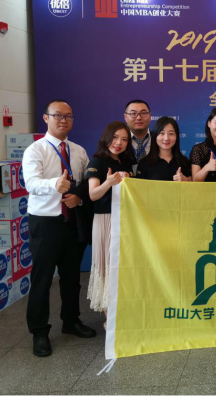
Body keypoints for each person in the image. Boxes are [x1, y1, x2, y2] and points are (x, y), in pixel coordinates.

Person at [23, 99, 96, 357]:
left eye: (68, 116)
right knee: (42, 279)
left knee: (72, 277)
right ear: (46, 118)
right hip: (46, 222)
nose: (63, 120)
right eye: (58, 115)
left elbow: (86, 183)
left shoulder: (78, 151)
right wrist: (55, 184)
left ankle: (71, 321)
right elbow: (31, 183)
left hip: (72, 221)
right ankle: (39, 332)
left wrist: (79, 198)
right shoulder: (36, 150)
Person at [85, 122, 133, 328]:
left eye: (124, 139)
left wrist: (130, 177)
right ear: (107, 137)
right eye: (115, 137)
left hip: (125, 219)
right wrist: (109, 182)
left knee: (121, 267)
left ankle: (121, 313)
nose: (118, 143)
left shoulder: (126, 161)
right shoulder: (97, 161)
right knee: (107, 267)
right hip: (105, 220)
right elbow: (93, 194)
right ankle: (109, 319)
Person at [136, 117, 192, 181]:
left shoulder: (184, 162)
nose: (166, 138)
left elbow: (192, 185)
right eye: (162, 133)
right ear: (155, 136)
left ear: (177, 136)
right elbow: (138, 186)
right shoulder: (144, 163)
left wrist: (185, 180)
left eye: (171, 133)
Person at [123, 99, 151, 173]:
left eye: (143, 113)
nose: (138, 118)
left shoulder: (159, 140)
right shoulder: (117, 141)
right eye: (133, 113)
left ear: (150, 116)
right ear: (125, 117)